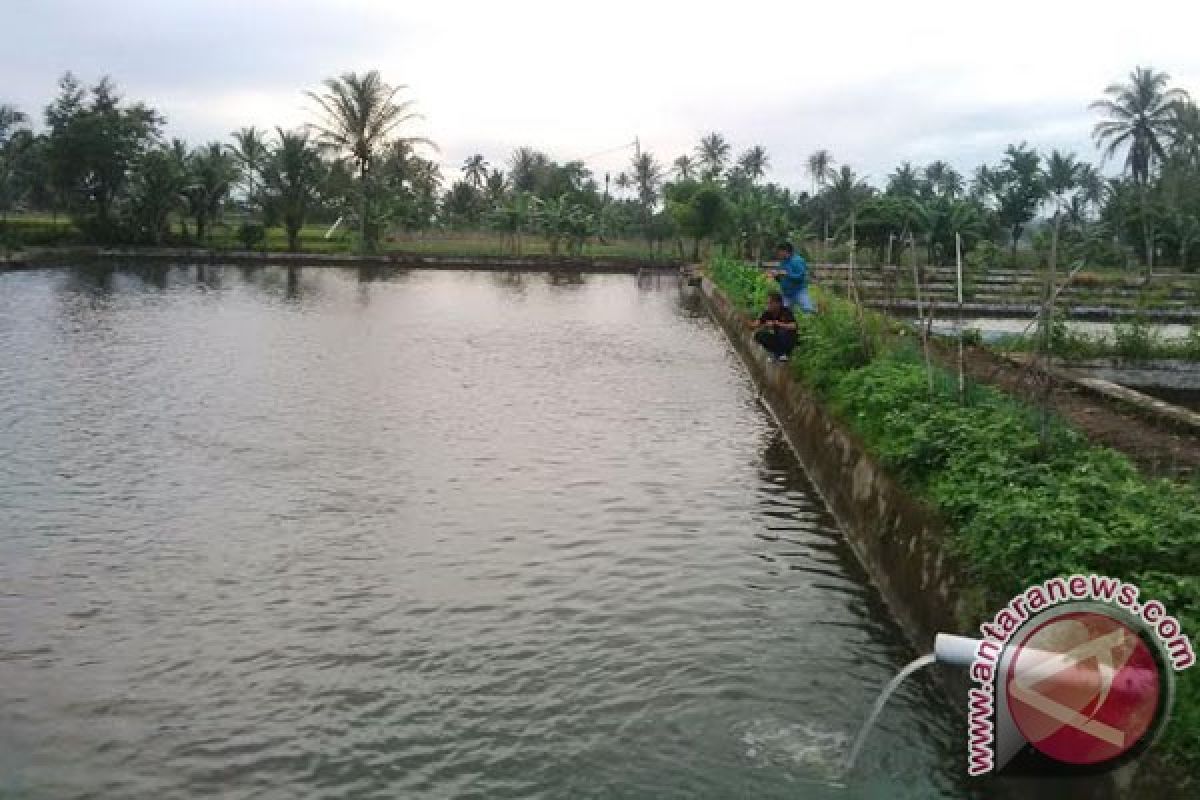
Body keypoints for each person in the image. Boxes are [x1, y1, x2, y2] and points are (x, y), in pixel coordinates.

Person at [767, 241, 814, 313]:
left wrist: (786, 274)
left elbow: (800, 277)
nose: (778, 254)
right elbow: (782, 279)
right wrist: (776, 276)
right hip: (786, 293)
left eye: (779, 251)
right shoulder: (783, 262)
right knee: (783, 313)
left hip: (798, 291)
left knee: (808, 310)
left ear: (785, 251)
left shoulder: (797, 261)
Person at [752, 291, 797, 361]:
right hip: (778, 339)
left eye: (770, 303)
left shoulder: (786, 312)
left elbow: (793, 326)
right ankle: (778, 353)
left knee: (783, 332)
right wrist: (752, 325)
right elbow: (758, 322)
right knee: (759, 335)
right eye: (768, 303)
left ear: (778, 304)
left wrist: (776, 323)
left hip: (787, 340)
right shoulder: (768, 312)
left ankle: (783, 353)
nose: (768, 305)